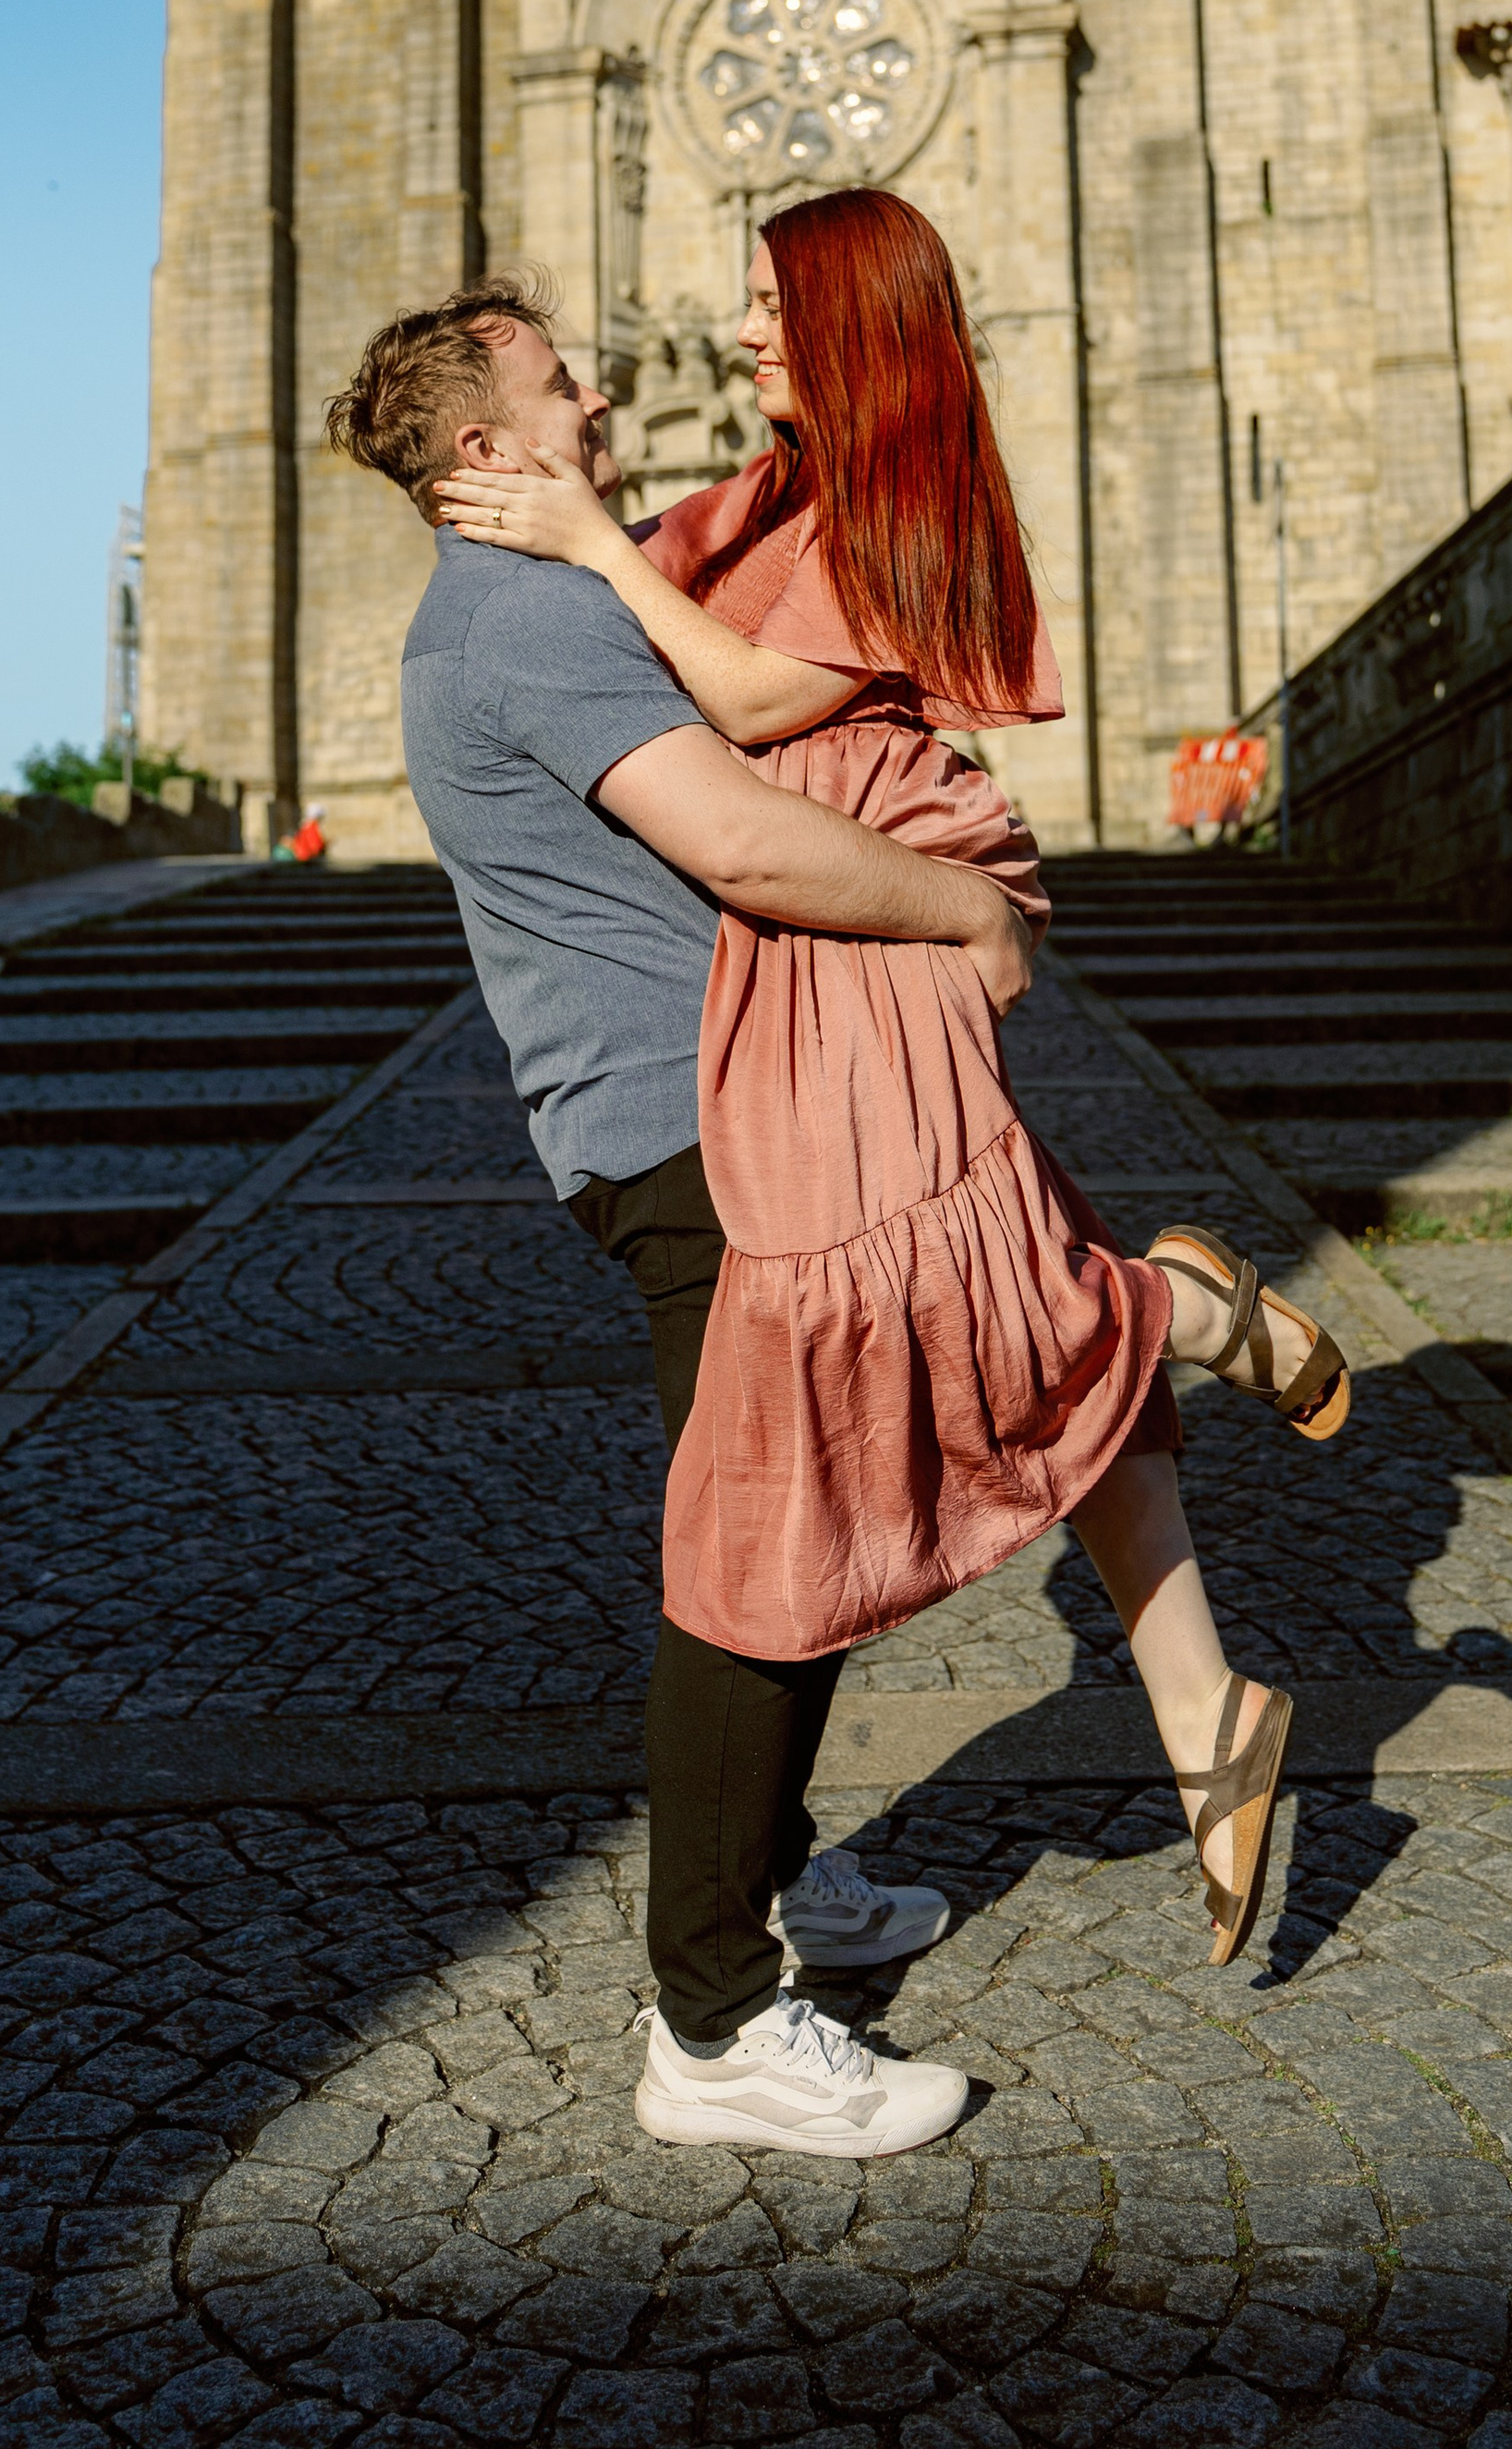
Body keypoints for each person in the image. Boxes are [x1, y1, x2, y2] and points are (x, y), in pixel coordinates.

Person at [434, 188, 1348, 1991]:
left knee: (973, 1300)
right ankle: (1202, 1708)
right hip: (813, 942)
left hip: (868, 929)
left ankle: (1181, 1315)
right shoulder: (762, 492)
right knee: (1007, 1279)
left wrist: (591, 539)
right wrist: (547, 518)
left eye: (773, 308)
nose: (740, 334)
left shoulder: (888, 503)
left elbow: (743, 700)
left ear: (855, 327)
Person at [330, 281, 1009, 2159]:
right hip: (689, 1137)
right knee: (757, 1572)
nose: (604, 397)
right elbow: (742, 839)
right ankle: (711, 2025)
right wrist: (964, 908)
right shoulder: (523, 618)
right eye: (565, 385)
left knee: (803, 1521)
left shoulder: (532, 598)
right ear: (487, 446)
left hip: (697, 1122)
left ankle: (773, 1878)